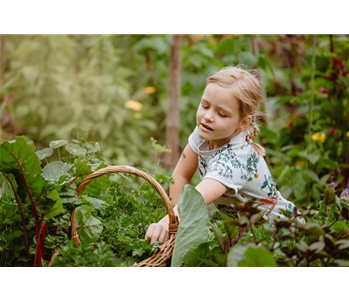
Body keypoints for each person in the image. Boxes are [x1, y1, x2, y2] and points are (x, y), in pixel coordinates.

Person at [145, 66, 304, 245]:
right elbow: (181, 175)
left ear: (243, 122)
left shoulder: (236, 159)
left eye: (221, 114)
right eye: (205, 105)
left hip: (282, 234)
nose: (208, 117)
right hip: (247, 232)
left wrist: (168, 222)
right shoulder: (206, 132)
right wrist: (174, 223)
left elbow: (196, 199)